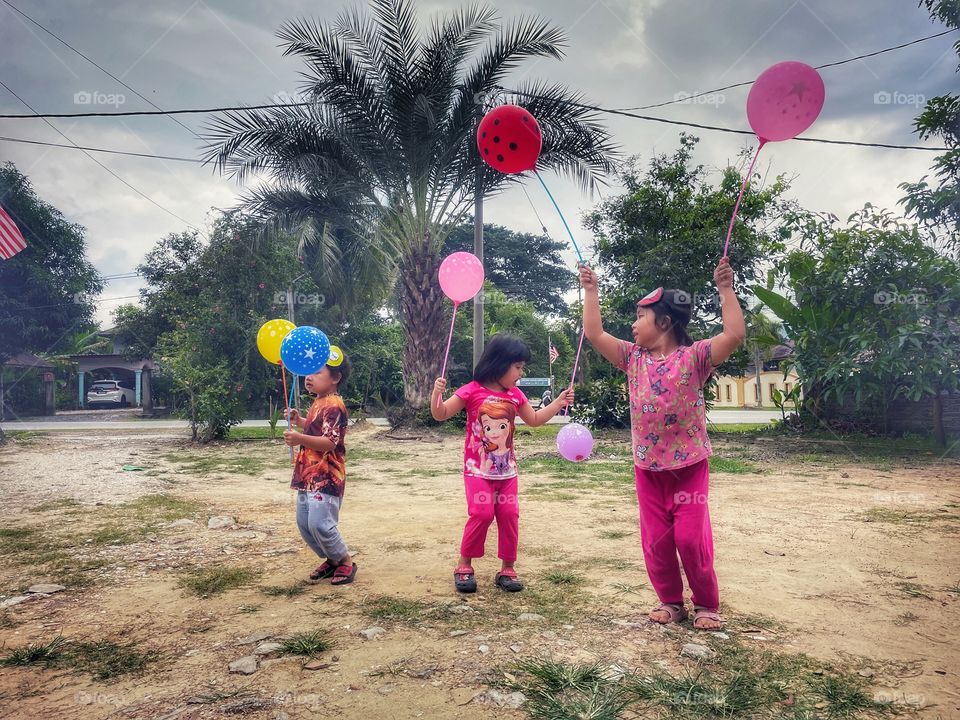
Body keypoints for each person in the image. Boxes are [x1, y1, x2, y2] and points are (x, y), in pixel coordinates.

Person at [579, 258, 745, 630]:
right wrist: (591, 291)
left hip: (689, 468)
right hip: (647, 469)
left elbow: (734, 334)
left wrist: (726, 290)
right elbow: (595, 334)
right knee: (656, 540)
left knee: (689, 538)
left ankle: (705, 603)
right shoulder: (631, 357)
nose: (633, 324)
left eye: (640, 316)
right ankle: (671, 601)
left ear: (664, 322)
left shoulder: (696, 357)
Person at [431, 334, 574, 593]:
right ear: (500, 363)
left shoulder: (515, 395)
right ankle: (464, 565)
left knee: (509, 515)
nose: (521, 373)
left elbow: (534, 419)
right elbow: (440, 414)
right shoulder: (471, 389)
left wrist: (558, 402)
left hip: (507, 473)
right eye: (517, 367)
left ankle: (507, 568)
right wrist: (436, 395)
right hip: (477, 472)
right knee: (481, 514)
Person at [283, 354, 356, 586]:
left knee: (319, 523)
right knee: (305, 524)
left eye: (317, 373)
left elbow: (329, 442)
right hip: (308, 474)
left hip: (325, 475)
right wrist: (300, 421)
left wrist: (298, 438)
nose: (309, 377)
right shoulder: (319, 401)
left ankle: (344, 560)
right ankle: (332, 559)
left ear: (335, 378)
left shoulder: (334, 405)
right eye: (309, 372)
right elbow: (317, 428)